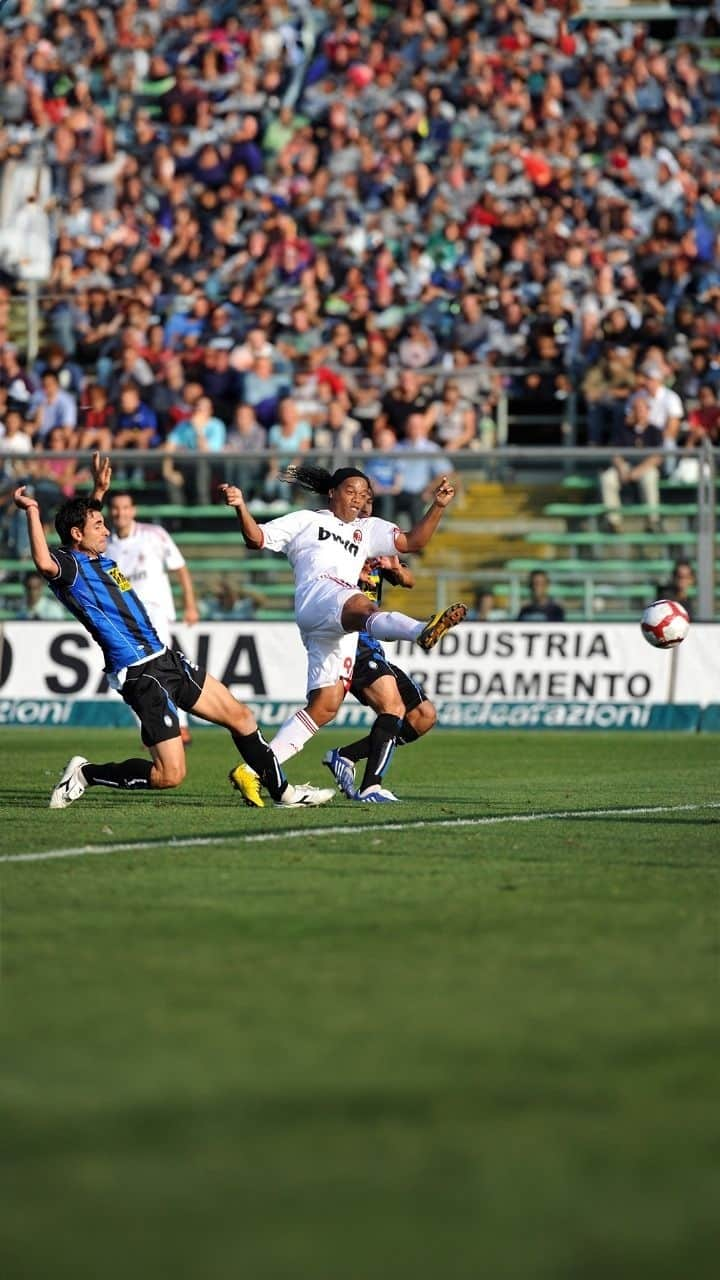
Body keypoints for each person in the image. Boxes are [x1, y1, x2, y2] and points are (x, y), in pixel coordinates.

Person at [12, 480, 335, 811]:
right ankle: (85, 774)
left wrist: (96, 493)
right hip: (140, 673)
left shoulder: (94, 554)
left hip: (165, 658)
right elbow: (43, 562)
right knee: (169, 775)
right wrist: (34, 511)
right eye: (99, 526)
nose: (107, 531)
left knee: (241, 717)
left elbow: (79, 523)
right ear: (78, 535)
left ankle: (283, 794)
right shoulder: (70, 566)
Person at [222, 463, 467, 805]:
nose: (358, 498)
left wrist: (438, 507)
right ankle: (419, 630)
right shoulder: (307, 520)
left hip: (337, 627)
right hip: (318, 598)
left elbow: (412, 542)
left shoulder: (367, 530)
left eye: (364, 493)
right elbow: (256, 539)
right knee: (363, 604)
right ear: (332, 493)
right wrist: (241, 507)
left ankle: (254, 769)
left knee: (325, 706)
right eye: (351, 491)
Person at [324, 540, 438, 803]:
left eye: (368, 499)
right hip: (349, 640)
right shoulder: (333, 541)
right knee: (393, 708)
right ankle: (370, 787)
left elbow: (409, 581)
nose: (363, 504)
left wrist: (395, 568)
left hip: (372, 644)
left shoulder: (375, 540)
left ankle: (346, 755)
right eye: (357, 497)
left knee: (423, 716)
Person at [103, 484, 200, 746]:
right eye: (115, 508)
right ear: (110, 512)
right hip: (125, 621)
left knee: (165, 667)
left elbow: (180, 568)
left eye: (125, 508)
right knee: (132, 675)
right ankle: (152, 727)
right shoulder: (105, 546)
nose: (120, 513)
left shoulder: (154, 534)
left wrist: (190, 605)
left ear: (132, 510)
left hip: (155, 612)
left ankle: (180, 725)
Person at [599, 393, 664, 532]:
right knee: (608, 479)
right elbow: (616, 453)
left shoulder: (655, 430)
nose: (639, 412)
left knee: (650, 478)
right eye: (636, 409)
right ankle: (613, 521)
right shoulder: (623, 428)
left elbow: (657, 457)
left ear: (648, 410)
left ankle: (653, 521)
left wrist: (637, 471)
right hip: (626, 467)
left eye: (642, 409)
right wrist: (622, 469)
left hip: (645, 467)